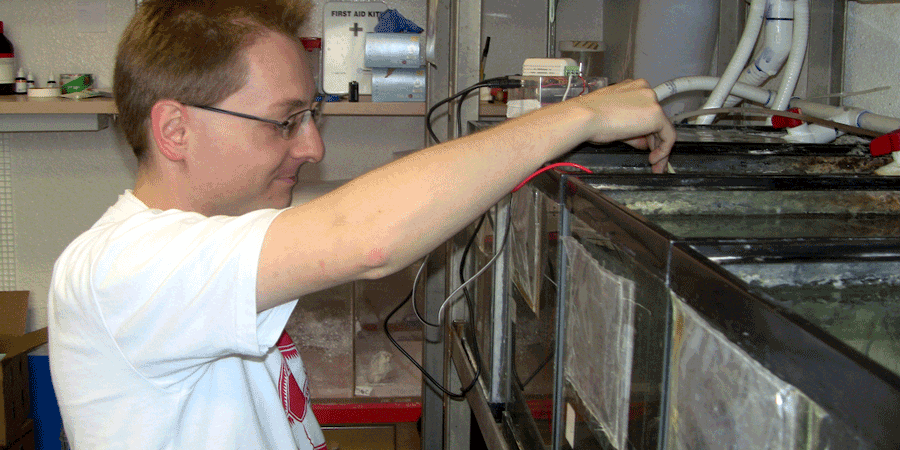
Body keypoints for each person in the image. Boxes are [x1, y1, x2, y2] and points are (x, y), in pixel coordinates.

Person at [47, 0, 676, 449]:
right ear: (176, 131)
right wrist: (582, 114)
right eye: (286, 120)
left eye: (312, 115)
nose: (313, 147)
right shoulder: (119, 269)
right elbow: (367, 236)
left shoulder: (212, 243)